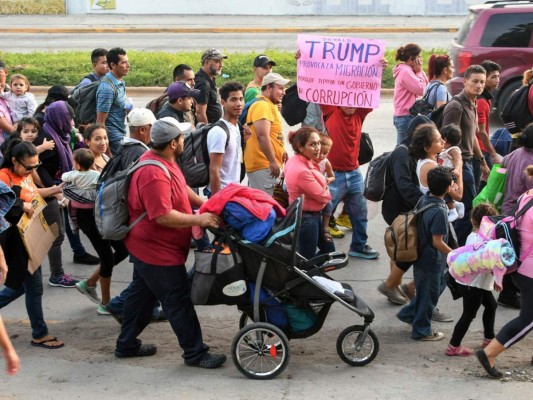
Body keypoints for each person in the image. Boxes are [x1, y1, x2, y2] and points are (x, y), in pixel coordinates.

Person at [114, 117, 226, 369]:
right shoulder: (152, 173)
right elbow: (162, 215)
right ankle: (195, 353)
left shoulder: (166, 161)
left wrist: (207, 206)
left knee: (142, 298)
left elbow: (181, 187)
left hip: (156, 247)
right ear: (174, 143)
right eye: (183, 138)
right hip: (155, 250)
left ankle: (126, 344)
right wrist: (202, 219)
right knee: (177, 300)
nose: (185, 140)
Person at [0, 141, 64, 350]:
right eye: (29, 167)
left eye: (36, 166)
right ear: (14, 162)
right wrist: (20, 204)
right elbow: (5, 208)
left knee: (20, 287)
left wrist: (56, 189)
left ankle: (40, 331)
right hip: (15, 242)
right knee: (31, 287)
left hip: (29, 236)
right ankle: (40, 333)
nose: (32, 170)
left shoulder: (25, 173)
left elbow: (35, 193)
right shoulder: (4, 176)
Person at [475, 169, 533, 378]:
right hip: (530, 270)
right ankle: (489, 353)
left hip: (520, 264)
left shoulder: (528, 195)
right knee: (528, 319)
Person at [73, 124, 129, 315]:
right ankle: (106, 303)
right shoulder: (82, 161)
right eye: (97, 139)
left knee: (122, 250)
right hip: (89, 215)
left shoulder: (106, 158)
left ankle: (89, 282)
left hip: (105, 213)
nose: (103, 142)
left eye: (105, 138)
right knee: (106, 257)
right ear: (87, 141)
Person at [397, 166, 454, 341]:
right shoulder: (439, 211)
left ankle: (409, 314)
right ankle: (422, 330)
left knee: (428, 292)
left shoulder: (425, 199)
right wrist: (454, 255)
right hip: (431, 260)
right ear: (448, 188)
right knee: (429, 297)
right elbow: (437, 241)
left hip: (421, 256)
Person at [378, 116, 430, 306]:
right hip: (397, 207)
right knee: (401, 248)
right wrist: (425, 203)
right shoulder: (402, 152)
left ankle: (394, 285)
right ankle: (392, 286)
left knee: (403, 247)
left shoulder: (417, 152)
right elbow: (404, 185)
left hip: (409, 207)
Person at [319, 103, 379, 260]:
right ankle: (315, 248)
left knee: (360, 213)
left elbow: (370, 95)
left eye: (355, 101)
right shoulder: (331, 110)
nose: (351, 105)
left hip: (354, 173)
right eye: (347, 101)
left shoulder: (359, 113)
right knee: (324, 212)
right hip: (334, 174)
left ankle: (358, 246)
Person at [34, 101, 80, 288]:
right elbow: (38, 167)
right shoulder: (46, 139)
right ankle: (56, 275)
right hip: (47, 192)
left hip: (54, 189)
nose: (71, 122)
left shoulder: (59, 134)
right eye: (68, 118)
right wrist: (53, 190)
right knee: (56, 234)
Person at [442, 64, 490, 246]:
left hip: (471, 162)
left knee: (469, 208)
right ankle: (458, 252)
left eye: (482, 82)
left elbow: (474, 136)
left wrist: (483, 161)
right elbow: (445, 139)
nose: (479, 85)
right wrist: (457, 168)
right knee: (466, 211)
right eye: (475, 81)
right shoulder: (456, 106)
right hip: (460, 165)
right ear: (465, 82)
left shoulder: (473, 102)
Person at [446, 203, 499, 357]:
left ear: (473, 221)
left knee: (491, 305)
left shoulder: (473, 236)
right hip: (472, 285)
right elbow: (486, 263)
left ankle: (489, 338)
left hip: (476, 284)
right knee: (469, 314)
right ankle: (453, 346)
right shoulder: (482, 240)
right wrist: (498, 277)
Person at [284, 126, 334, 259]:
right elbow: (324, 197)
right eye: (312, 144)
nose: (318, 148)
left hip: (312, 216)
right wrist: (326, 187)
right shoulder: (302, 170)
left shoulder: (302, 161)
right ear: (301, 147)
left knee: (329, 252)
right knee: (307, 259)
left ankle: (314, 276)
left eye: (318, 143)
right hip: (307, 219)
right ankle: (309, 278)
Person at [498, 123, 533, 309]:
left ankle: (510, 292)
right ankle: (509, 295)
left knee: (512, 253)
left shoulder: (516, 154)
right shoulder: (530, 163)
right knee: (519, 256)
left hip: (507, 209)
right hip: (521, 214)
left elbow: (501, 166)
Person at [244, 72, 290, 195]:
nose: (284, 92)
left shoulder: (270, 105)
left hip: (267, 165)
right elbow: (262, 136)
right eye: (280, 88)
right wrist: (272, 161)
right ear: (269, 88)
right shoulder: (262, 105)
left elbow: (273, 133)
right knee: (267, 208)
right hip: (263, 165)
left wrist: (281, 150)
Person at [206, 81, 244, 197]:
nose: (239, 104)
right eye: (233, 100)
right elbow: (214, 170)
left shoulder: (237, 126)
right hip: (223, 193)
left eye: (241, 99)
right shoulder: (219, 132)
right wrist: (216, 202)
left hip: (234, 190)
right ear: (223, 102)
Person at [392, 43, 429, 145]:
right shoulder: (405, 72)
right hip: (405, 117)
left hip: (408, 116)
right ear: (412, 58)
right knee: (403, 150)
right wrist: (418, 72)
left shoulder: (410, 71)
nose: (421, 60)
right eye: (419, 57)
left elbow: (427, 85)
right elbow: (421, 90)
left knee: (408, 149)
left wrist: (420, 71)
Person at [96, 47, 129, 155]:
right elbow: (100, 122)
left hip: (121, 134)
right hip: (114, 140)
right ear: (113, 65)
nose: (128, 66)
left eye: (127, 62)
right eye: (123, 63)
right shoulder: (107, 88)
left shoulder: (120, 81)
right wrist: (107, 152)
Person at [476, 60, 502, 176]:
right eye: (493, 77)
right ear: (484, 78)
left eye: (498, 77)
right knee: (488, 182)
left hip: (483, 148)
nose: (497, 80)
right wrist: (493, 153)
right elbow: (481, 132)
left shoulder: (487, 98)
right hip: (480, 150)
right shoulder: (481, 101)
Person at [438, 124, 465, 223]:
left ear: (445, 139)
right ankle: (456, 205)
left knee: (446, 189)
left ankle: (453, 211)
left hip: (450, 173)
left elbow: (458, 160)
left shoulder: (453, 150)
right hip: (445, 172)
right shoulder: (445, 150)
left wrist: (457, 170)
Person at [195, 49, 227, 124]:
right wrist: (206, 131)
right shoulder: (202, 84)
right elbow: (200, 113)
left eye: (221, 61)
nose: (221, 65)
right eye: (217, 61)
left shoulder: (210, 79)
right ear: (207, 62)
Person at [317, 134, 335, 241]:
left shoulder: (325, 162)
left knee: (328, 205)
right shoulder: (309, 160)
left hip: (322, 189)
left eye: (325, 153)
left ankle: (325, 227)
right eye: (320, 153)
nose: (322, 156)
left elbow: (332, 176)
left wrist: (328, 180)